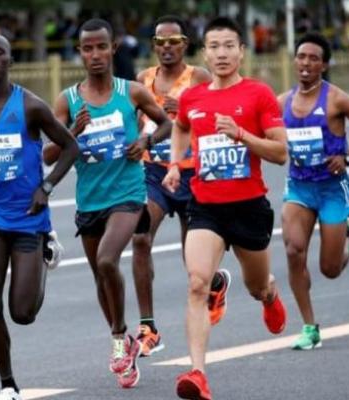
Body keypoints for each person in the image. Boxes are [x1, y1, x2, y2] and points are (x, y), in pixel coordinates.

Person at [162, 17, 288, 400]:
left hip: (249, 208)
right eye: (214, 46)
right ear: (205, 53)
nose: (222, 53)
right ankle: (198, 374)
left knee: (256, 286)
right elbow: (181, 126)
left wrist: (242, 134)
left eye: (229, 45)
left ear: (241, 51)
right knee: (197, 283)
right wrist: (174, 163)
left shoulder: (259, 94)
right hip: (206, 207)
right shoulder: (193, 98)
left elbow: (280, 152)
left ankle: (269, 294)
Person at [43, 18, 172, 389]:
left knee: (106, 259)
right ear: (80, 52)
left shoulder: (131, 92)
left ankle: (121, 338)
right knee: (101, 276)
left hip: (128, 195)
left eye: (102, 46)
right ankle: (121, 340)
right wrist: (72, 132)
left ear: (113, 48)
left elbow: (166, 124)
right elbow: (49, 155)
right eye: (88, 48)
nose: (95, 54)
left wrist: (145, 143)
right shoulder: (68, 100)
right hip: (90, 200)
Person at [0, 34, 78, 400]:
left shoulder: (31, 107)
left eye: (0, 53)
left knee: (23, 314)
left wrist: (47, 187)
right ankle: (8, 384)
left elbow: (70, 147)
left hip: (28, 216)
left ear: (9, 62)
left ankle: (44, 250)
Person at [278, 32, 349, 350]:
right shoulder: (281, 102)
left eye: (314, 58)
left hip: (332, 189)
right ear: (295, 61)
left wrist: (347, 157)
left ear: (324, 65)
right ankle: (309, 326)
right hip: (299, 187)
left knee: (330, 270)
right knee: (294, 251)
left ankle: (348, 235)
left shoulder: (337, 99)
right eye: (301, 56)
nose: (306, 63)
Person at [130, 15, 217, 358]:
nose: (167, 47)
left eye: (174, 42)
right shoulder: (143, 80)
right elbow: (134, 121)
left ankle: (215, 283)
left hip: (191, 173)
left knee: (192, 260)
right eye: (160, 42)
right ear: (153, 45)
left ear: (185, 44)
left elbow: (216, 118)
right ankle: (148, 328)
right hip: (154, 172)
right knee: (140, 238)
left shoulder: (199, 77)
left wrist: (186, 110)